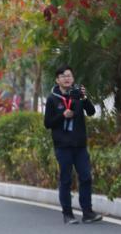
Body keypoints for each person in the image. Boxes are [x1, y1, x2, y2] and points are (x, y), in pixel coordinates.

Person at [43, 65, 103, 224]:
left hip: (80, 145)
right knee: (66, 179)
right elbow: (47, 123)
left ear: (73, 78)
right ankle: (67, 214)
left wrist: (84, 98)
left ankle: (88, 213)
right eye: (63, 76)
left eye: (69, 75)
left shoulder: (78, 95)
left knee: (86, 177)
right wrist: (63, 115)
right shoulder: (52, 99)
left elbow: (91, 112)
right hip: (63, 146)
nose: (66, 78)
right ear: (57, 80)